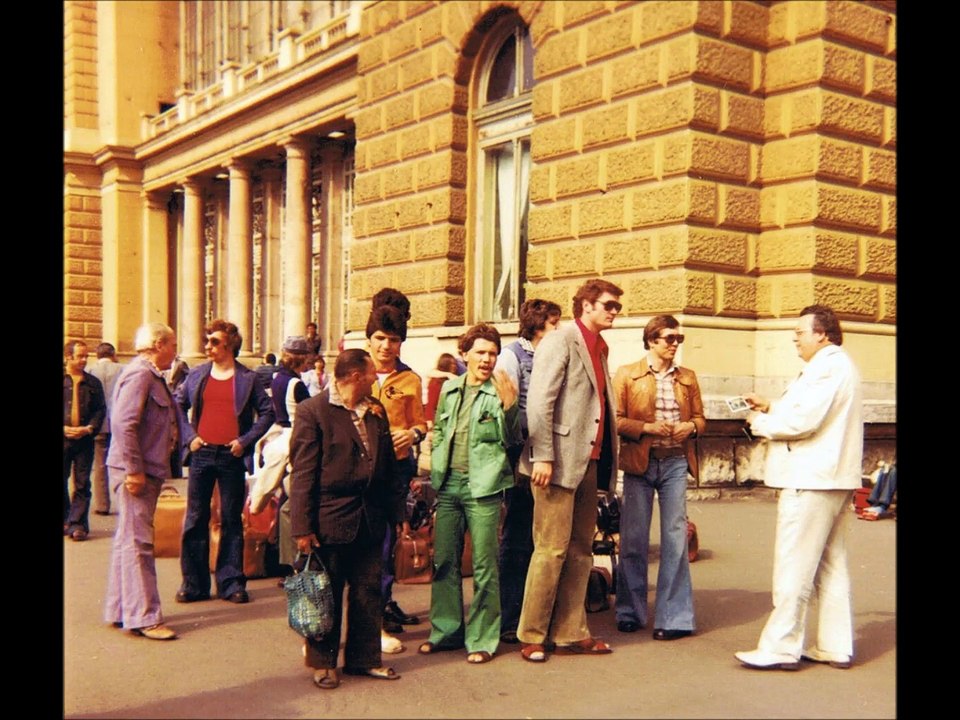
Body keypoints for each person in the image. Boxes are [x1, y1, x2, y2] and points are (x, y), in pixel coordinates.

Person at [735, 305, 863, 671]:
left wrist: (760, 422)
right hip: (831, 478)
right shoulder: (837, 366)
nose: (795, 339)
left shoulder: (827, 367)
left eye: (800, 333)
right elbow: (808, 410)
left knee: (794, 565)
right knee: (830, 564)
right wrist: (772, 405)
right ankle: (834, 645)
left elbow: (802, 421)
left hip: (810, 479)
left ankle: (781, 646)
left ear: (821, 334)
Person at [516, 278, 623, 662]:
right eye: (609, 305)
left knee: (580, 551)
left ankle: (569, 632)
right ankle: (532, 634)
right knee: (551, 550)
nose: (614, 312)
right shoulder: (560, 340)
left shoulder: (600, 346)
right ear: (587, 306)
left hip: (587, 461)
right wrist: (543, 456)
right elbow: (539, 402)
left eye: (617, 307)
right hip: (556, 463)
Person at [289, 349, 407, 690]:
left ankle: (364, 658)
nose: (375, 378)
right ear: (356, 376)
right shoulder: (313, 411)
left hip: (371, 516)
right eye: (371, 373)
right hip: (329, 518)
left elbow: (389, 467)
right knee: (326, 593)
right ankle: (323, 663)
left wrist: (397, 512)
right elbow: (303, 473)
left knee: (368, 591)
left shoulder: (374, 410)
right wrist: (302, 527)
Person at [418, 324, 520, 664]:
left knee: (484, 564)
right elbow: (441, 430)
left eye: (492, 353)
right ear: (465, 354)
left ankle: (482, 638)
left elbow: (512, 440)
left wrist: (510, 408)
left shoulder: (501, 389)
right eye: (480, 352)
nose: (487, 359)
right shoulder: (450, 388)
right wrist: (436, 468)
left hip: (484, 487)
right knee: (444, 560)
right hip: (448, 484)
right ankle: (445, 632)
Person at [612, 315, 705, 640]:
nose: (675, 344)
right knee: (634, 538)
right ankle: (629, 612)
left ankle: (674, 618)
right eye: (669, 338)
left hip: (675, 462)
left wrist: (689, 427)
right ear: (651, 340)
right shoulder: (627, 374)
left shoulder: (687, 377)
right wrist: (647, 428)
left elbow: (700, 419)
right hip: (640, 463)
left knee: (676, 538)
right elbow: (616, 419)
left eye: (679, 339)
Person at [174, 319, 274, 605]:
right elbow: (178, 404)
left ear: (230, 345)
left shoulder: (248, 378)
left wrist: (245, 441)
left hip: (231, 456)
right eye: (207, 340)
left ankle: (231, 583)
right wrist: (189, 437)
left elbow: (267, 412)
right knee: (196, 518)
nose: (208, 346)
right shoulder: (198, 374)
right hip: (202, 454)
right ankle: (193, 584)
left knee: (231, 519)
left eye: (214, 341)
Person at [103, 323, 181, 640]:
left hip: (142, 468)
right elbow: (124, 424)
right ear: (159, 344)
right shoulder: (141, 375)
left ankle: (121, 609)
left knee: (128, 540)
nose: (175, 351)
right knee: (139, 544)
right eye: (172, 344)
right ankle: (145, 617)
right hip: (137, 471)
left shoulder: (148, 374)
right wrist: (134, 470)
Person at [494, 299, 561, 643]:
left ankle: (537, 614)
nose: (558, 330)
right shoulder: (513, 356)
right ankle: (510, 616)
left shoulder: (552, 354)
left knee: (542, 535)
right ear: (537, 325)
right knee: (518, 534)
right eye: (553, 324)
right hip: (521, 455)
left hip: (547, 452)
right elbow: (507, 406)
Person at [366, 300, 427, 651]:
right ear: (369, 339)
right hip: (357, 471)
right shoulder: (355, 371)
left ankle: (379, 614)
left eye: (393, 339)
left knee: (387, 543)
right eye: (380, 338)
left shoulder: (410, 380)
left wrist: (413, 434)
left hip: (393, 472)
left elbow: (420, 422)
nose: (386, 346)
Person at [249, 336, 312, 569]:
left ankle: (284, 558)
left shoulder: (277, 378)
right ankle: (294, 561)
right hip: (294, 438)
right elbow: (308, 412)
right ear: (301, 358)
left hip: (279, 436)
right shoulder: (296, 384)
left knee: (285, 500)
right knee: (293, 503)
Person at [64, 340, 106, 542]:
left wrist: (89, 428)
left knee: (82, 483)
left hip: (84, 440)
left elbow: (100, 409)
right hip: (63, 438)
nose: (83, 360)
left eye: (85, 356)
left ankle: (78, 524)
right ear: (68, 357)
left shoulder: (93, 383)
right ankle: (66, 519)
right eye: (79, 356)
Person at [88, 342, 124, 516]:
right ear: (113, 354)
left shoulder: (90, 370)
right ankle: (125, 503)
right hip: (120, 424)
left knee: (100, 465)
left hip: (99, 424)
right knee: (123, 464)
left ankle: (102, 505)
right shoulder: (122, 369)